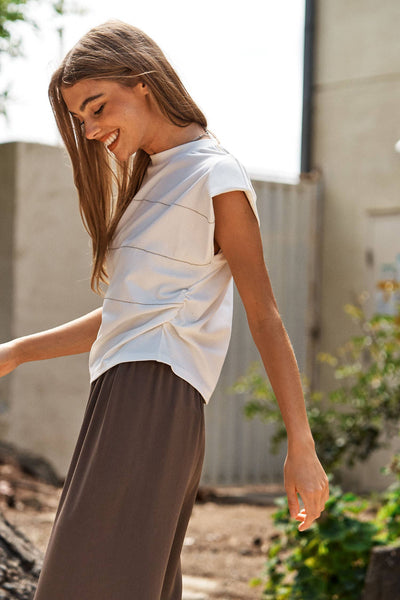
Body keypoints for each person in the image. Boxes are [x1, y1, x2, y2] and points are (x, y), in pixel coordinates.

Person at [0, 20, 329, 600]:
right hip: (122, 392)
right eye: (82, 119)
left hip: (153, 393)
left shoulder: (213, 175)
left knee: (85, 584)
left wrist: (301, 445)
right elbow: (128, 313)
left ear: (142, 81)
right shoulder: (150, 180)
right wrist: (19, 352)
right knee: (135, 582)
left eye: (98, 107)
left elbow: (265, 316)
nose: (93, 129)